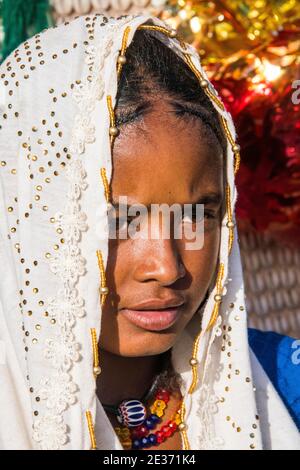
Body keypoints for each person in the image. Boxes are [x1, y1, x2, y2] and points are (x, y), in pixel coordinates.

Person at [0, 13, 299, 451]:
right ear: (32, 221)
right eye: (119, 220)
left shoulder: (283, 385)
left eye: (198, 214)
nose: (166, 266)